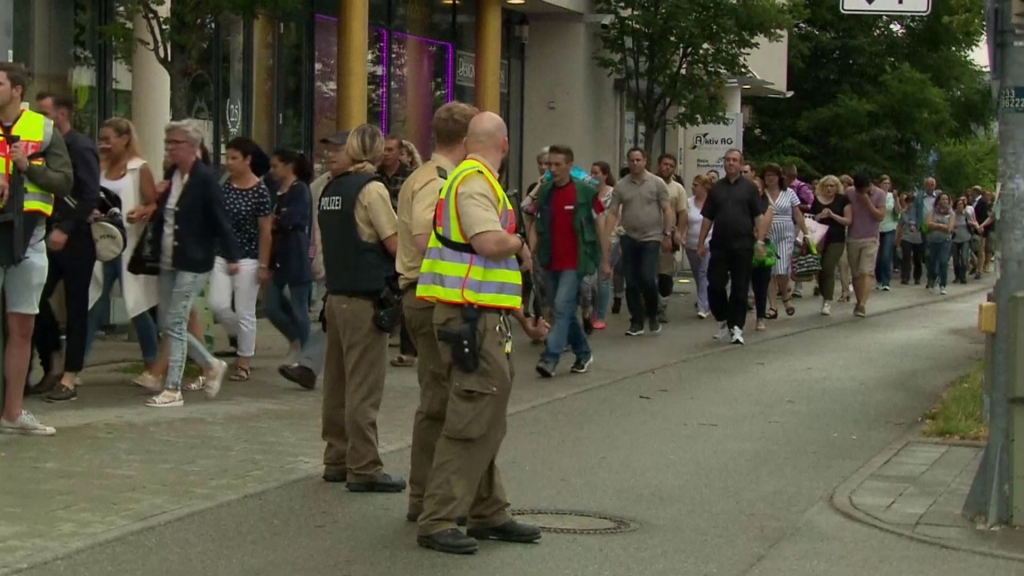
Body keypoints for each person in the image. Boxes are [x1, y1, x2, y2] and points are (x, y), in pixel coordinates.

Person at [415, 111, 548, 555]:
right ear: (504, 144)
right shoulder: (474, 181)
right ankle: (439, 518)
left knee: (484, 411)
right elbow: (488, 242)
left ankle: (487, 510)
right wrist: (519, 243)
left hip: (477, 316)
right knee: (473, 413)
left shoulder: (469, 179)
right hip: (469, 318)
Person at [396, 101, 478, 523]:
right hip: (431, 297)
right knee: (442, 400)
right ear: (465, 141)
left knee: (445, 398)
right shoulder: (439, 180)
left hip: (427, 295)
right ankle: (430, 497)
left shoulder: (427, 175)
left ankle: (434, 496)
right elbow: (426, 233)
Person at [317, 123, 406, 492]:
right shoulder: (371, 189)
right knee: (364, 387)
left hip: (336, 296)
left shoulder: (330, 190)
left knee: (336, 383)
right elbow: (393, 243)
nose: (330, 154)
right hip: (365, 298)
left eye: (337, 148)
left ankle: (336, 457)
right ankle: (365, 466)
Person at [0, 63, 74, 435]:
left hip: (29, 238)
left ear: (16, 90)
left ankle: (12, 413)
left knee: (22, 327)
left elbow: (65, 180)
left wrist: (28, 167)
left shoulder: (42, 129)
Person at [143, 120, 237, 407]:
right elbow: (168, 214)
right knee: (167, 322)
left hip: (195, 259)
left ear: (194, 147)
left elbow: (221, 220)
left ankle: (173, 389)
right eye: (167, 143)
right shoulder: (173, 175)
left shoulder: (205, 178)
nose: (169, 149)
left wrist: (233, 257)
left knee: (175, 320)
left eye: (176, 143)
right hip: (170, 257)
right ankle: (210, 363)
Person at [30, 93, 100, 402]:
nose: (40, 119)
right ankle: (51, 362)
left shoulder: (80, 147)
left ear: (61, 115)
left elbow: (89, 195)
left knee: (75, 307)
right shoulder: (42, 147)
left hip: (76, 238)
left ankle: (70, 376)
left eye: (45, 113)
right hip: (44, 234)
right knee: (34, 300)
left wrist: (66, 228)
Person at [83, 117, 161, 387]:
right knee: (94, 302)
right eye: (101, 138)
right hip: (102, 244)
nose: (103, 144)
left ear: (124, 139)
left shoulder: (139, 169)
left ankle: (153, 364)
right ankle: (76, 365)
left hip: (129, 245)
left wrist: (142, 211)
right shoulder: (100, 167)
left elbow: (153, 203)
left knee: (137, 305)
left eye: (108, 138)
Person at [529, 144, 610, 378]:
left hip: (576, 262)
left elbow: (601, 226)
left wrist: (605, 261)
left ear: (569, 166)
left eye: (557, 164)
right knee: (560, 310)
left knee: (562, 307)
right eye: (548, 164)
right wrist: (528, 254)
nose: (551, 169)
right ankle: (583, 353)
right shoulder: (545, 192)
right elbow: (536, 224)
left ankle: (550, 358)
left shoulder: (585, 192)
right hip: (550, 260)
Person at [279, 131, 350, 390]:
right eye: (328, 149)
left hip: (361, 268)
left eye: (337, 149)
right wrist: (315, 258)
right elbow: (313, 229)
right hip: (332, 265)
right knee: (331, 319)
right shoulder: (319, 186)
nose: (330, 154)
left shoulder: (368, 185)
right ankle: (309, 366)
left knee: (341, 322)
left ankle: (312, 366)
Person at [208, 137, 273, 381]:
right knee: (218, 304)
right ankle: (245, 336)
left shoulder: (259, 191)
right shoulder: (224, 186)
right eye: (227, 157)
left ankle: (243, 361)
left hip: (249, 257)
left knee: (246, 310)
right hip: (222, 254)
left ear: (248, 160)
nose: (229, 163)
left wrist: (264, 264)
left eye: (234, 158)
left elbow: (266, 231)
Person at [697, 149, 768, 345]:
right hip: (719, 244)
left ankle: (737, 326)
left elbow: (758, 217)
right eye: (727, 160)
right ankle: (722, 318)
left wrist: (760, 241)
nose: (731, 163)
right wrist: (700, 243)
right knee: (715, 284)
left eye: (734, 160)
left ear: (740, 163)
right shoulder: (716, 189)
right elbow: (707, 217)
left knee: (740, 287)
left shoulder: (750, 189)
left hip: (743, 245)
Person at [605, 148, 673, 336]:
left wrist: (667, 234)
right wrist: (606, 236)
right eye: (631, 160)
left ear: (645, 161)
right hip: (629, 236)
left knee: (647, 277)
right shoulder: (621, 185)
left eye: (638, 160)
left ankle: (652, 314)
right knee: (631, 280)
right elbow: (612, 212)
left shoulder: (657, 183)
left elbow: (667, 209)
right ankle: (636, 320)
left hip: (651, 237)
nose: (635, 164)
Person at [266, 150, 314, 365]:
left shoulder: (300, 190)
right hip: (276, 254)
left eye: (276, 166)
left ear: (289, 166)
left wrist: (275, 220)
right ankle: (294, 339)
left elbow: (291, 218)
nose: (272, 171)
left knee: (299, 309)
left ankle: (306, 356)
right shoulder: (275, 189)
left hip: (295, 253)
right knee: (271, 307)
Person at [807, 175, 852, 316]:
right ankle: (823, 292)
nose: (829, 188)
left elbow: (848, 221)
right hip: (819, 238)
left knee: (828, 267)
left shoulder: (843, 200)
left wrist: (832, 215)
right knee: (818, 269)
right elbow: (811, 218)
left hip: (836, 238)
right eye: (826, 186)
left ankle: (827, 301)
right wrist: (818, 216)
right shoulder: (817, 201)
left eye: (832, 186)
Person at [845, 173, 886, 317]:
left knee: (866, 271)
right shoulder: (850, 192)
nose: (860, 193)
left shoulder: (879, 194)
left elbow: (880, 216)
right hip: (853, 237)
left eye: (863, 189)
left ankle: (862, 304)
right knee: (856, 273)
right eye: (858, 190)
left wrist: (867, 201)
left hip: (871, 238)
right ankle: (858, 300)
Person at [682, 174, 712, 318]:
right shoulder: (688, 203)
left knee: (703, 274)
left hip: (709, 243)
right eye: (692, 185)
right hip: (691, 244)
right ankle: (708, 299)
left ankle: (703, 306)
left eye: (696, 185)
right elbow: (684, 222)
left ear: (705, 187)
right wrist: (681, 237)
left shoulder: (712, 203)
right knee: (697, 274)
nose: (693, 188)